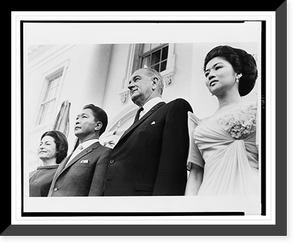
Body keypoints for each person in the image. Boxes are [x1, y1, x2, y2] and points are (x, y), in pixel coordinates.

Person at [103, 68, 193, 196]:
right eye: (129, 82)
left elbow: (172, 170)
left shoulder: (173, 108)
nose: (129, 86)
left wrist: (160, 212)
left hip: (142, 205)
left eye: (136, 79)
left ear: (154, 83)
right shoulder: (136, 122)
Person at [185, 45, 259, 196]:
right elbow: (196, 174)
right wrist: (189, 211)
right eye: (207, 73)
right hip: (209, 196)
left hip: (251, 192)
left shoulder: (259, 110)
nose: (210, 75)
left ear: (237, 73)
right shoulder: (199, 125)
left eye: (217, 67)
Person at [48, 104, 112, 196]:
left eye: (84, 117)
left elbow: (95, 193)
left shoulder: (104, 153)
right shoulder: (70, 157)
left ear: (98, 125)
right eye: (77, 118)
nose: (77, 121)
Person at [29, 130, 68, 197]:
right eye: (41, 144)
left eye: (47, 144)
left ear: (59, 148)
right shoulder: (30, 174)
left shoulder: (60, 174)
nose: (41, 147)